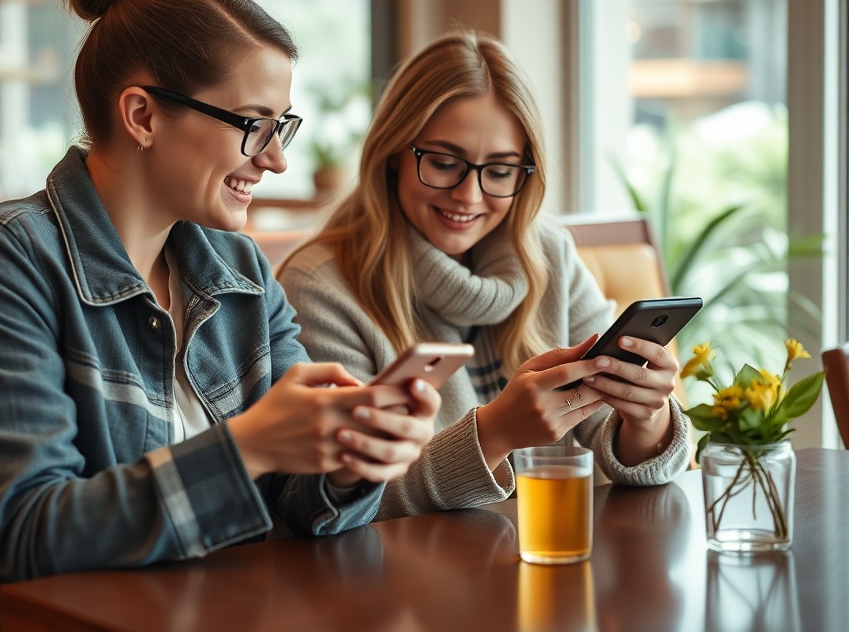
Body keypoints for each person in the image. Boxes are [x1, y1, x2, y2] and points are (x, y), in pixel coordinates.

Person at [0, 0, 440, 632]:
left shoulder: (241, 273)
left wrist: (352, 458)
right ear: (142, 115)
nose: (278, 159)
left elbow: (301, 501)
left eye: (281, 125)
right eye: (254, 126)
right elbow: (29, 536)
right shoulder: (1, 263)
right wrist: (251, 443)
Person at [277, 30, 690, 520]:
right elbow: (333, 504)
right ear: (392, 155)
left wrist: (646, 417)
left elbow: (627, 451)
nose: (468, 196)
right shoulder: (322, 286)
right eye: (445, 162)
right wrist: (493, 435)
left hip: (544, 571)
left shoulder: (548, 256)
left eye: (499, 171)